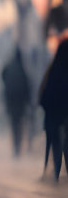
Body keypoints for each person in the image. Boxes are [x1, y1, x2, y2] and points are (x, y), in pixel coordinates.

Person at [39, 11, 68, 181]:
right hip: (64, 110)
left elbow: (45, 93)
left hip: (54, 112)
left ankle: (56, 169)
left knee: (55, 140)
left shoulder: (54, 69)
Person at [0, 45, 33, 157]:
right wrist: (29, 102)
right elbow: (27, 86)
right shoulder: (22, 67)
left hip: (11, 101)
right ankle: (17, 146)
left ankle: (15, 147)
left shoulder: (9, 66)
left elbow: (2, 75)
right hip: (20, 103)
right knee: (19, 124)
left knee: (13, 124)